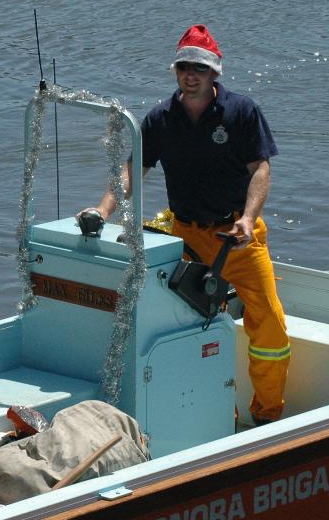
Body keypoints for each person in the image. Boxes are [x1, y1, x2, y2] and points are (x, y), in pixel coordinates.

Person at [83, 24, 290, 425]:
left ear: (215, 74)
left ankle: (267, 416)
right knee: (191, 330)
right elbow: (134, 169)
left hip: (238, 237)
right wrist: (102, 210)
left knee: (270, 326)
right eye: (183, 67)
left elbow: (260, 170)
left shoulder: (241, 112)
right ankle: (216, 417)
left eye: (199, 68)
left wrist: (248, 219)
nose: (190, 75)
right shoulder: (160, 119)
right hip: (188, 237)